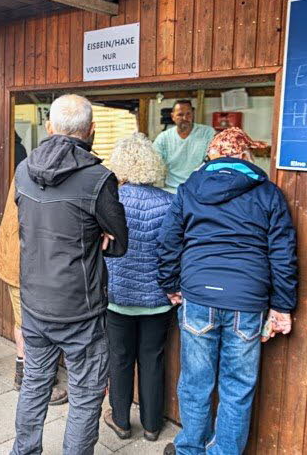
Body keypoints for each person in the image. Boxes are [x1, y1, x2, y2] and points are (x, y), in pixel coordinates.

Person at [157, 127, 297, 455]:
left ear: (213, 155)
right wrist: (282, 306)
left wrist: (171, 285)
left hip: (199, 296)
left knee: (195, 383)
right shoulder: (268, 193)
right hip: (247, 301)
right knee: (237, 388)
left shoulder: (189, 188)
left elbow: (169, 241)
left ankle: (190, 449)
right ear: (246, 155)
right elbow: (283, 253)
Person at [12, 94, 128, 455]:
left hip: (34, 300)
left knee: (34, 384)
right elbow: (120, 242)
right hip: (81, 308)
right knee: (85, 394)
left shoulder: (22, 169)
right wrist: (99, 232)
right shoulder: (98, 178)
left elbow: (29, 226)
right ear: (91, 131)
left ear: (49, 128)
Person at [102, 133, 173, 443]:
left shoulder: (112, 202)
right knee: (153, 359)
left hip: (118, 298)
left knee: (119, 357)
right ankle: (152, 425)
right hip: (157, 300)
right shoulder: (170, 202)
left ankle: (120, 421)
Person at [0, 182, 68, 405]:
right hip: (24, 262)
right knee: (29, 324)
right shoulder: (42, 178)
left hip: (14, 259)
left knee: (21, 321)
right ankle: (31, 381)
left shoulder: (24, 171)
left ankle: (23, 373)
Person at [153, 100, 215, 193]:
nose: (185, 118)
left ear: (193, 114)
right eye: (180, 114)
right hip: (171, 189)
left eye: (188, 114)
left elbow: (213, 159)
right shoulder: (163, 138)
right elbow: (153, 161)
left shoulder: (207, 133)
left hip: (198, 189)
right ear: (172, 116)